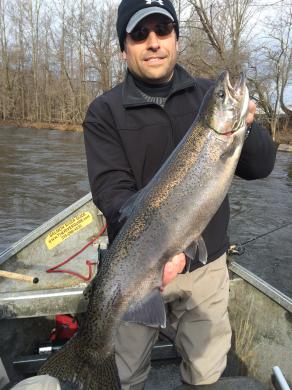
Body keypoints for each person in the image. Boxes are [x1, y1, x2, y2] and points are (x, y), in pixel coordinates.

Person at [83, 0, 277, 388]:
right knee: (124, 375)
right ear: (124, 47)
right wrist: (158, 250)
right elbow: (112, 193)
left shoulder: (208, 96)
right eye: (140, 34)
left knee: (206, 376)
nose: (153, 42)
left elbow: (261, 168)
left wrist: (247, 128)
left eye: (162, 30)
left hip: (206, 269)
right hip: (136, 267)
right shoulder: (103, 112)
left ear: (175, 39)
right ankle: (87, 357)